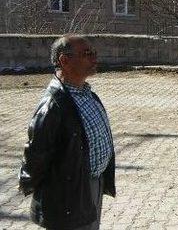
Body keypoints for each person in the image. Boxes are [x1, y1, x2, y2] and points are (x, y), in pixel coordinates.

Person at [19, 35, 115, 230]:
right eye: (87, 54)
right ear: (64, 60)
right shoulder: (52, 105)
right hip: (69, 194)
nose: (94, 58)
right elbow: (35, 155)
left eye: (94, 53)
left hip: (91, 184)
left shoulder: (86, 93)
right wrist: (35, 188)